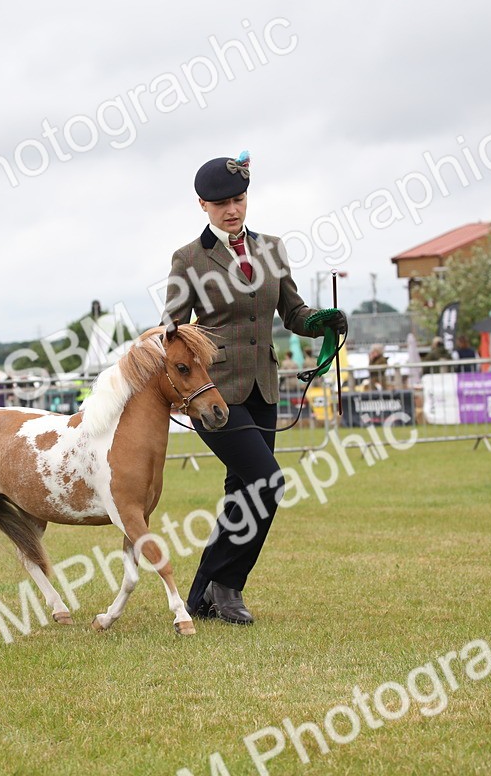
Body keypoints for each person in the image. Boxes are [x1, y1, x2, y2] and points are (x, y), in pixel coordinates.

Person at [162, 151, 347, 625]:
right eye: (221, 203)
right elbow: (173, 331)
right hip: (214, 394)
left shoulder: (273, 249)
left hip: (263, 388)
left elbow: (293, 312)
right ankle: (228, 586)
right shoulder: (188, 259)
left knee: (243, 492)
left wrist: (322, 321)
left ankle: (199, 597)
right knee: (269, 482)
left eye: (239, 199)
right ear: (203, 205)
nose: (232, 210)